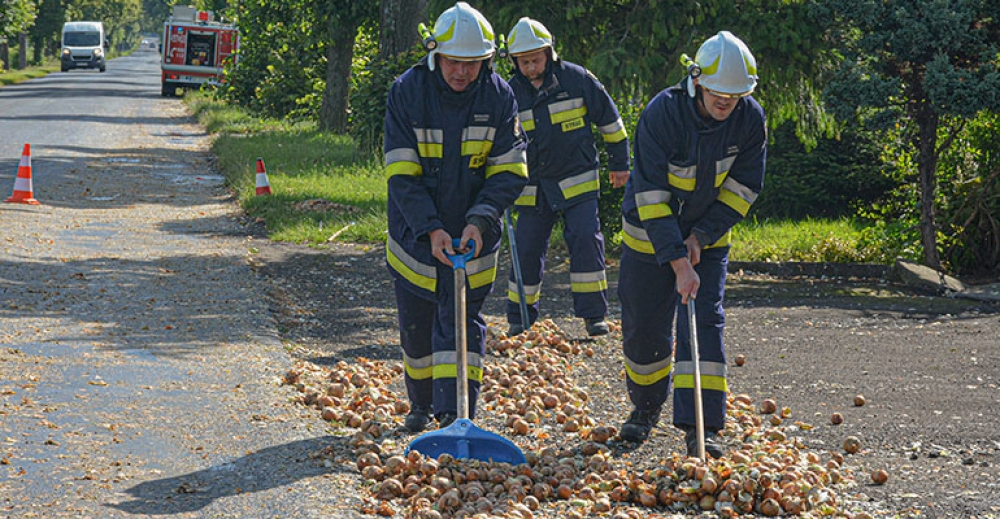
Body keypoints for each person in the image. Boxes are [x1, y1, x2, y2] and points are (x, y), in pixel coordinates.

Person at [616, 31, 766, 457]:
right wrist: (678, 259)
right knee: (645, 328)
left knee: (704, 321)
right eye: (719, 92)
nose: (727, 102)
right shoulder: (662, 115)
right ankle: (645, 409)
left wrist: (701, 237)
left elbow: (742, 189)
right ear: (697, 81)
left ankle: (702, 428)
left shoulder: (750, 119)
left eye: (736, 95)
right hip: (649, 236)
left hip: (708, 239)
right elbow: (650, 197)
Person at [383, 2, 528, 433]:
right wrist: (430, 228)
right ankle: (421, 405)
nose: (462, 73)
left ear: (485, 61)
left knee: (462, 322)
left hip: (474, 236)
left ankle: (457, 414)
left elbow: (510, 170)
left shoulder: (500, 95)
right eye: (453, 62)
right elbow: (401, 174)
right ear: (435, 55)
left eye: (472, 64)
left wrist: (480, 221)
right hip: (415, 235)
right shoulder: (407, 92)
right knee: (417, 325)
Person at [503, 17, 630, 337]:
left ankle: (593, 316)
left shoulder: (577, 80)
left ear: (549, 53)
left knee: (586, 239)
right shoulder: (507, 94)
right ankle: (520, 318)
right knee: (527, 248)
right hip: (532, 188)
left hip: (578, 180)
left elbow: (611, 123)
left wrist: (620, 164)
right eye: (524, 61)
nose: (530, 67)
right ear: (514, 61)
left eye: (536, 59)